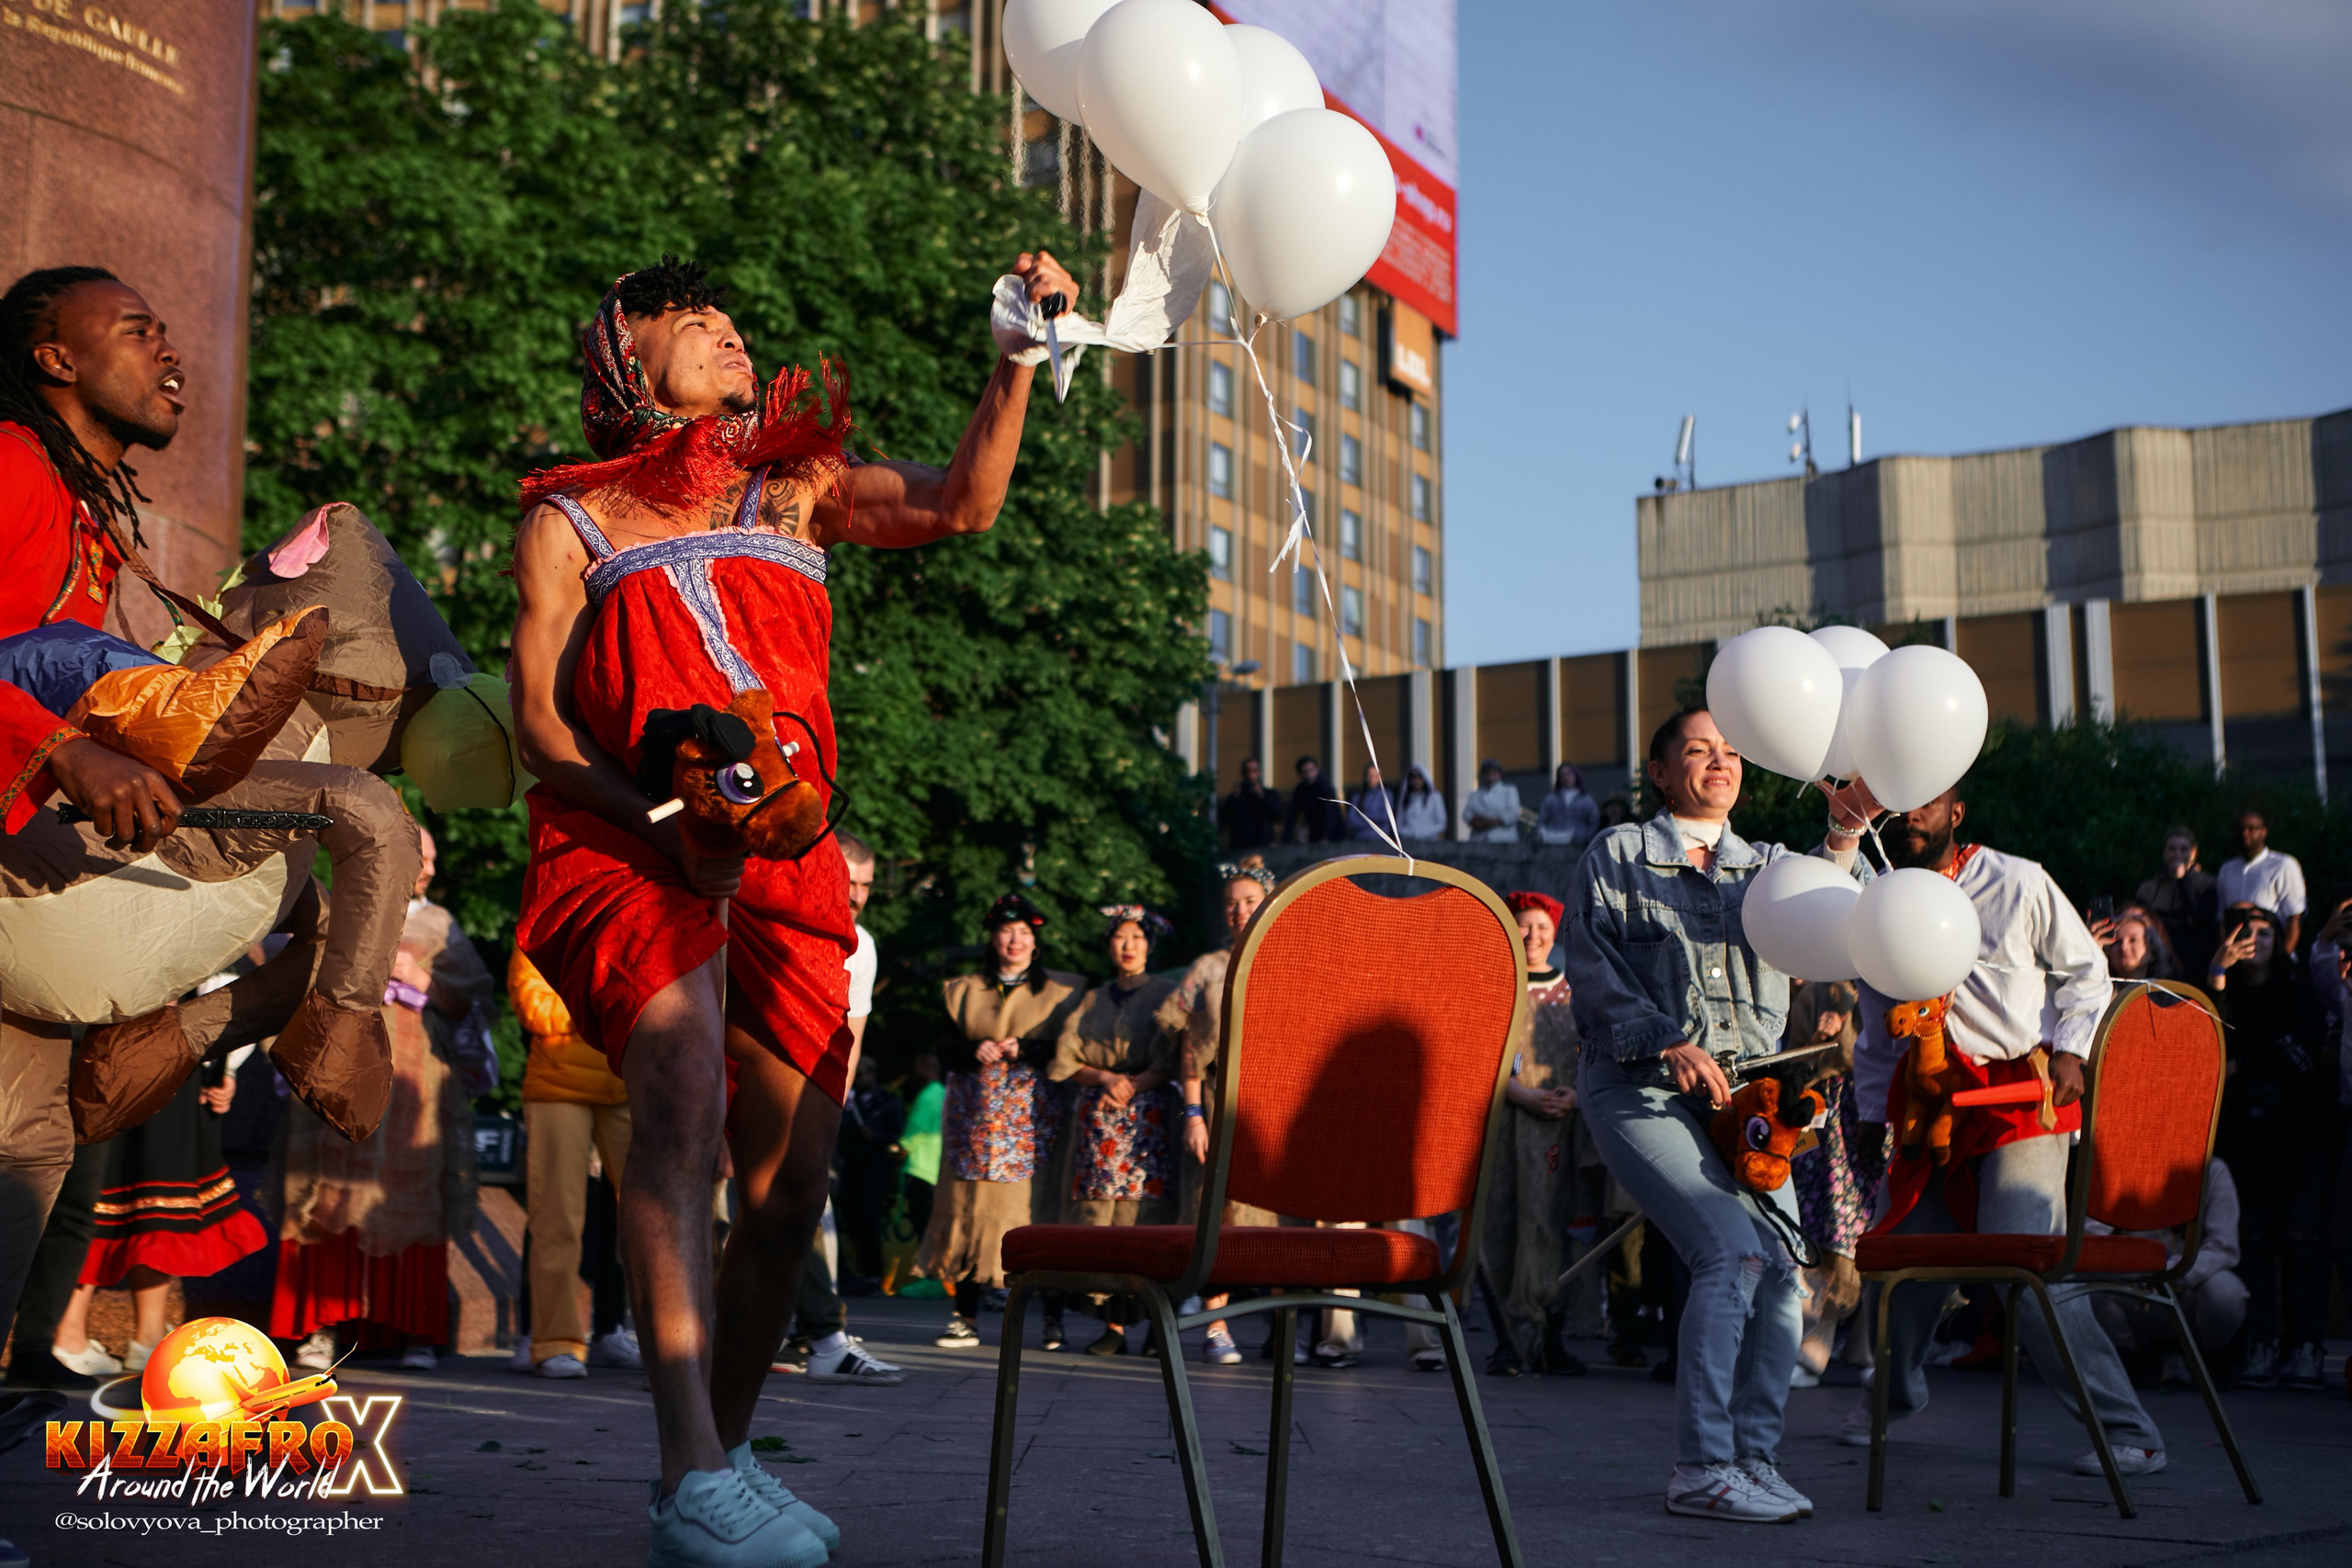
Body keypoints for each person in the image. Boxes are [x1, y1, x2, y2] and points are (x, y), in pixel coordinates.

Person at [508, 248, 1074, 1564]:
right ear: (623, 362)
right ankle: (691, 1464)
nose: (728, 337)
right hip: (625, 844)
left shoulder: (797, 485)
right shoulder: (570, 519)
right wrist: (660, 810)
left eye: (732, 320)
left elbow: (959, 503)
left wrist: (1014, 356)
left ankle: (717, 1466)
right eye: (691, 324)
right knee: (682, 1082)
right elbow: (539, 721)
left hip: (790, 857)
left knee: (788, 1180)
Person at [1565, 705, 1874, 1523]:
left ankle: (1753, 1458)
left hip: (1748, 1100)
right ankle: (1701, 1467)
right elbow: (1591, 970)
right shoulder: (1618, 854)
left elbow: (1846, 920)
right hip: (1638, 1084)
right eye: (1698, 750)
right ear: (1661, 772)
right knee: (1732, 1253)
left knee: (1781, 1270)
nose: (1720, 761)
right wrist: (1667, 1040)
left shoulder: (1770, 864)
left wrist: (1842, 836)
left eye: (1732, 751)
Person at [1842, 785, 2171, 1477]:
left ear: (1957, 813)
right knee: (1897, 1254)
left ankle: (2128, 1428)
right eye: (1897, 801)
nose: (1910, 813)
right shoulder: (1879, 905)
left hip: (2021, 1098)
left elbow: (2087, 972)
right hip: (1929, 1109)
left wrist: (2074, 1050)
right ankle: (1893, 1400)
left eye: (1927, 800)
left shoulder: (2019, 879)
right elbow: (1877, 1030)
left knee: (2029, 1262)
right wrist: (1873, 1114)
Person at [273, 826, 493, 1373]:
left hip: (414, 1087)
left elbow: (465, 1005)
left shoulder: (440, 925)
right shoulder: (341, 909)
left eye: (436, 859)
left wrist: (422, 978)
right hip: (341, 1072)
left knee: (412, 1194)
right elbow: (300, 979)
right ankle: (321, 1326)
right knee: (325, 1195)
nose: (433, 869)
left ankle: (415, 1327)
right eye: (425, 857)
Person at [55, 989, 264, 1377]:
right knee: (118, 1192)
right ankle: (120, 1339)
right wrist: (223, 1064)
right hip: (141, 1042)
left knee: (144, 1194)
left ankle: (119, 1338)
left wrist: (223, 1068)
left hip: (137, 1042)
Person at [919, 893, 1082, 1350]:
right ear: (993, 938)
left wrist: (1026, 1050)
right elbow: (941, 1048)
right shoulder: (962, 990)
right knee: (968, 1213)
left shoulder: (1064, 992)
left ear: (1036, 941)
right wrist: (974, 1050)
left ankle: (1052, 1320)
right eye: (1007, 932)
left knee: (1038, 1214)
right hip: (975, 1122)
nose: (1015, 940)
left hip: (1035, 1125)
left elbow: (1072, 1053)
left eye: (1025, 933)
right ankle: (965, 1316)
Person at [2203, 906, 2334, 1391]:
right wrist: (2217, 971)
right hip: (2243, 1132)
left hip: (2296, 1131)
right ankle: (2259, 1344)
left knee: (2301, 1240)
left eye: (2265, 932)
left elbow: (2299, 1056)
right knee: (2253, 1241)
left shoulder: (2299, 991)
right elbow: (2211, 1043)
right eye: (2245, 931)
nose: (2254, 939)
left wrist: (2244, 1063)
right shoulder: (2226, 990)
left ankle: (2307, 1347)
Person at [1048, 908, 1182, 1356]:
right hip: (1099, 1113)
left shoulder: (1169, 994)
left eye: (1137, 938)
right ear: (1109, 946)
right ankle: (1114, 1325)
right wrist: (1105, 1080)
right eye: (1120, 938)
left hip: (1149, 1119)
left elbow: (1174, 1057)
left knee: (1146, 1218)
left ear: (1150, 945)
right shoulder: (1092, 999)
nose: (1128, 946)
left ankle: (1153, 1325)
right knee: (1101, 1217)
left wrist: (1134, 1084)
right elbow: (1064, 1057)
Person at [1167, 862, 1279, 1364]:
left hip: (1278, 1107)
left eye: (1249, 900)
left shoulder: (1291, 960)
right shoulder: (1207, 969)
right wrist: (1193, 1112)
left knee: (1280, 1215)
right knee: (1220, 1214)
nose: (1240, 911)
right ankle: (1217, 1326)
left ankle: (1286, 1326)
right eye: (1232, 902)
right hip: (1220, 1102)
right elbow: (1190, 1046)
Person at [510, 946, 639, 1379]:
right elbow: (532, 1004)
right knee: (557, 1217)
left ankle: (641, 1334)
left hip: (624, 1082)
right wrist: (602, 1010)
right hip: (558, 1086)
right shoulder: (544, 927)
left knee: (647, 1217)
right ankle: (555, 1342)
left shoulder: (635, 920)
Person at [1480, 891, 1592, 1378]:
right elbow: (1475, 1060)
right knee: (1502, 1224)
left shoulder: (1578, 992)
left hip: (1567, 1131)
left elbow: (1594, 1053)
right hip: (1505, 1130)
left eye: (1541, 927)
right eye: (1523, 927)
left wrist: (1577, 1094)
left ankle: (1552, 1338)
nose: (1532, 936)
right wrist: (1519, 1095)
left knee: (1563, 1226)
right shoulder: (1495, 988)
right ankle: (1508, 1339)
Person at [1781, 981, 1880, 1388]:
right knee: (1826, 1232)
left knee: (1875, 1230)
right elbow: (1792, 1052)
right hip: (1829, 1119)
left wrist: (1847, 1036)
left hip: (1874, 1115)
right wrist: (1821, 1042)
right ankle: (1814, 1347)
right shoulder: (1822, 986)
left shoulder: (1888, 976)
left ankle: (1873, 1346)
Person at [2089, 1157, 2245, 1390]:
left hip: (2192, 1292)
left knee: (2225, 1294)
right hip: (2139, 1290)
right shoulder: (2123, 1164)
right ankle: (2129, 1355)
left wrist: (2173, 1270)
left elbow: (2224, 1247)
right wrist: (2135, 1267)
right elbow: (2090, 1240)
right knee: (2090, 1285)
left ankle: (2209, 1355)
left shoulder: (2212, 1169)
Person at [2216, 809, 2305, 955]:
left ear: (2263, 831)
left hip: (2271, 956)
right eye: (2240, 829)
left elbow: (2294, 917)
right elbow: (2221, 921)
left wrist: (2284, 958)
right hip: (2237, 958)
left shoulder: (2283, 865)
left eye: (2252, 828)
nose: (2245, 833)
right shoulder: (2227, 869)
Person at [2137, 826, 2219, 980]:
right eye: (2172, 849)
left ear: (2194, 853)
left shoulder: (2208, 884)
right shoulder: (2148, 888)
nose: (2177, 854)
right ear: (2164, 853)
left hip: (2196, 962)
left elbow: (2201, 918)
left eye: (2183, 849)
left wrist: (2183, 879)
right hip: (2160, 963)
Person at [899, 1051, 944, 1250]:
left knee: (924, 1232)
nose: (915, 1071)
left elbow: (912, 1137)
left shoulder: (928, 1096)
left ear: (926, 1067)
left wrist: (899, 1151)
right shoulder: (943, 1092)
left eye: (917, 1066)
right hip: (936, 1171)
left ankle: (929, 1278)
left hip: (920, 1170)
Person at [1219, 757, 1283, 851]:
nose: (1251, 775)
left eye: (1254, 771)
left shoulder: (1270, 794)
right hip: (1241, 846)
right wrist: (1235, 798)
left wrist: (1262, 798)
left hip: (1263, 843)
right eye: (1248, 771)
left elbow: (1277, 817)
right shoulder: (1237, 796)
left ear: (1259, 772)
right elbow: (1225, 819)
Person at [1537, 762, 1600, 851]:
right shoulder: (1550, 799)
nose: (1565, 777)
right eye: (1562, 775)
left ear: (1575, 776)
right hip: (1554, 844)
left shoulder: (1586, 799)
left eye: (1569, 774)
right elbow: (1542, 820)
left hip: (1579, 845)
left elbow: (1594, 821)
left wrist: (1586, 838)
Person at [2102, 908, 2177, 982]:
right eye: (2117, 942)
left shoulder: (2168, 991)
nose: (2124, 947)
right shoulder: (2098, 990)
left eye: (2133, 940)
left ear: (2152, 951)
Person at [1283, 755, 1340, 843]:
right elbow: (1292, 815)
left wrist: (1325, 837)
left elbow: (1329, 814)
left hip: (1334, 837)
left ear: (1317, 770)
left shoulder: (1325, 787)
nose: (1309, 775)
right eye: (1305, 772)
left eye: (1311, 770)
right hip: (1316, 835)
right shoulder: (1301, 790)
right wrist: (1285, 840)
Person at [1462, 759, 1521, 843]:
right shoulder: (1475, 795)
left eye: (1494, 772)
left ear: (1499, 774)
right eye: (1487, 773)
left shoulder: (1509, 791)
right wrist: (1477, 822)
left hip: (1504, 841)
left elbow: (1513, 813)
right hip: (1480, 841)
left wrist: (1491, 822)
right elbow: (1466, 814)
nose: (1490, 775)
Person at [1347, 762, 1402, 841]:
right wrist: (1372, 821)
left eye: (1376, 777)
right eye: (1370, 776)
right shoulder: (1357, 797)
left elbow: (1385, 817)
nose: (1372, 779)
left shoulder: (1386, 795)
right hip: (1360, 840)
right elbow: (1351, 821)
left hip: (1380, 839)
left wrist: (1364, 818)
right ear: (1366, 777)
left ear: (1381, 778)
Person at [1396, 764, 1447, 840]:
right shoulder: (1405, 799)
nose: (1416, 780)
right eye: (1413, 777)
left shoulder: (1435, 797)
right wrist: (1412, 833)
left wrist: (1424, 833)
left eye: (1419, 777)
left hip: (1430, 842)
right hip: (1410, 842)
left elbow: (1441, 824)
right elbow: (1399, 825)